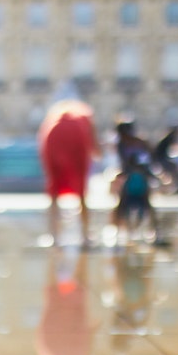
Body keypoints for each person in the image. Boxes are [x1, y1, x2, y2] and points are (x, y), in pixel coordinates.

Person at [37, 99, 98, 245]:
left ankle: (53, 235)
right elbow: (92, 138)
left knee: (54, 190)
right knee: (81, 190)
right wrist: (96, 150)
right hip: (77, 138)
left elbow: (42, 138)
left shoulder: (55, 114)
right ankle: (85, 234)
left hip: (53, 137)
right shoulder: (84, 113)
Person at [113, 121, 159, 242]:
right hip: (130, 177)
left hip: (141, 177)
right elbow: (124, 163)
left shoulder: (140, 143)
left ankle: (153, 229)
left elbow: (150, 158)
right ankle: (119, 229)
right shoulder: (122, 144)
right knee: (123, 204)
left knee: (146, 204)